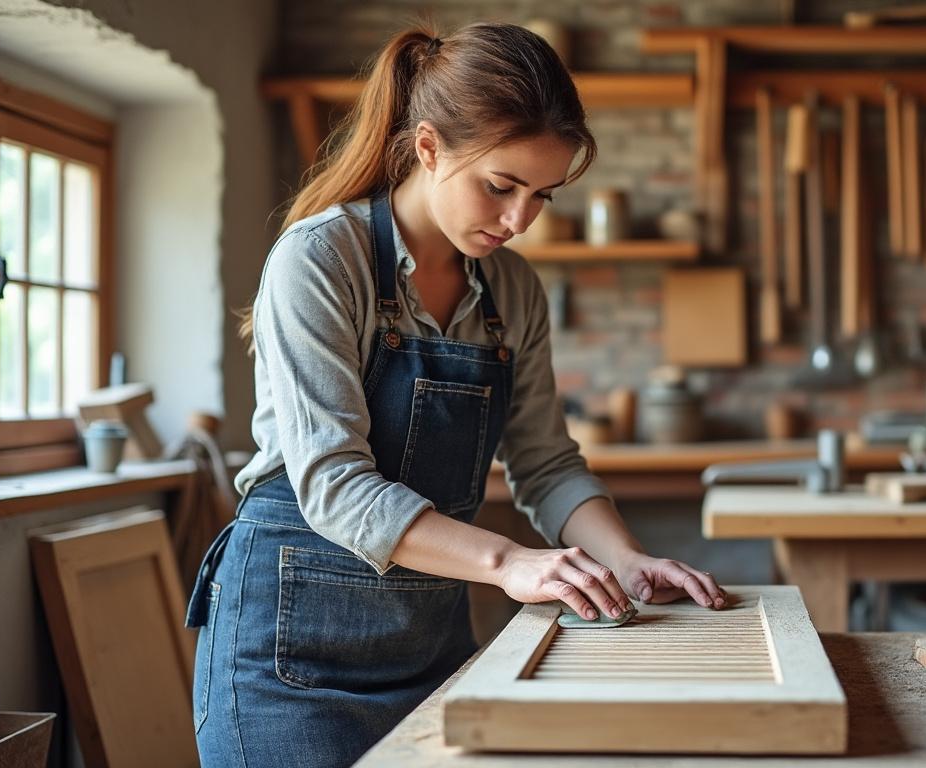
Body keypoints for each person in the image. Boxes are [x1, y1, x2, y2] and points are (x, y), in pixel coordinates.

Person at [186, 21, 727, 768]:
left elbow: (547, 463)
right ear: (429, 147)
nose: (518, 221)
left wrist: (628, 560)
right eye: (500, 186)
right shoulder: (319, 260)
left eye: (541, 195)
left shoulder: (513, 289)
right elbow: (335, 486)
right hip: (287, 659)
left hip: (430, 646)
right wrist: (510, 564)